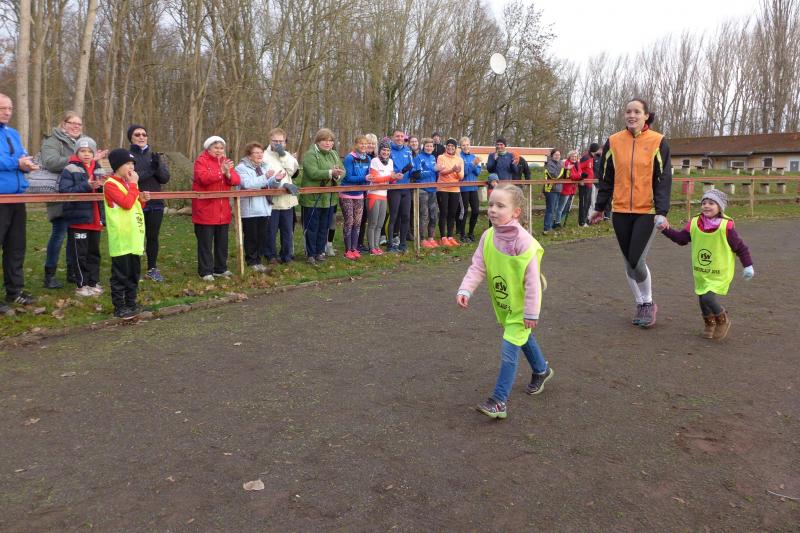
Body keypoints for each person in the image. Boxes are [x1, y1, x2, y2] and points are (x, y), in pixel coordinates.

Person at [457, 183, 553, 419]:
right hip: (505, 304)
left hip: (522, 307)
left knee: (510, 349)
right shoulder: (488, 236)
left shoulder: (525, 242)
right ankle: (541, 370)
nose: (493, 209)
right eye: (491, 204)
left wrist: (531, 313)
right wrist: (466, 289)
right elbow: (478, 266)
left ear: (516, 212)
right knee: (522, 337)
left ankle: (499, 401)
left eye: (500, 206)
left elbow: (533, 282)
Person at [590, 98, 672, 328]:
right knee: (628, 262)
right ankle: (640, 303)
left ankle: (648, 302)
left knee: (637, 259)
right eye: (628, 111)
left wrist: (662, 211)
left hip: (647, 211)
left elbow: (663, 178)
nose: (632, 115)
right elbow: (606, 178)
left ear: (646, 116)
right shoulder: (614, 141)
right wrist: (600, 207)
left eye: (637, 111)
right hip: (620, 210)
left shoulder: (658, 141)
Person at [660, 189, 753, 340]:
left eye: (711, 203)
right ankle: (710, 324)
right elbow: (681, 239)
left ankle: (722, 319)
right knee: (702, 298)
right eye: (704, 203)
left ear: (720, 207)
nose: (706, 206)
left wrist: (748, 265)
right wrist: (665, 229)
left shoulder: (726, 226)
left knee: (708, 298)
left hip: (720, 271)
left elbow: (740, 248)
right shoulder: (695, 223)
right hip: (701, 270)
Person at [40, 111, 107, 288]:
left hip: (83, 201)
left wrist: (93, 160)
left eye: (79, 124)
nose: (76, 126)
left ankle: (73, 271)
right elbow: (50, 162)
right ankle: (50, 273)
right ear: (64, 124)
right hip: (60, 194)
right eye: (72, 123)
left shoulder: (84, 141)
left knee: (76, 237)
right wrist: (76, 159)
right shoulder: (53, 141)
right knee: (60, 233)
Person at [0, 93, 38, 314]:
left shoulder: (13, 133)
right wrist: (17, 162)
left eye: (10, 108)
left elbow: (22, 156)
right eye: (2, 108)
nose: (7, 112)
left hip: (17, 198)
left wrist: (27, 164)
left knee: (16, 247)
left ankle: (14, 291)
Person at [104, 148, 148, 319]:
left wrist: (142, 200)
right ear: (117, 166)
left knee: (133, 273)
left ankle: (131, 302)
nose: (131, 168)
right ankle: (119, 306)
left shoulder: (128, 184)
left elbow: (134, 205)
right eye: (128, 164)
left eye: (133, 164)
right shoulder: (111, 184)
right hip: (121, 237)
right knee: (120, 274)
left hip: (134, 235)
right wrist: (134, 186)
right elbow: (126, 203)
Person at [59, 137, 105, 296]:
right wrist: (86, 185)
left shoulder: (98, 168)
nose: (86, 154)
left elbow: (104, 191)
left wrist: (102, 186)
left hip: (95, 219)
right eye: (83, 151)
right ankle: (81, 284)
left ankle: (93, 282)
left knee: (94, 253)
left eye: (90, 151)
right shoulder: (70, 169)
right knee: (80, 254)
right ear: (77, 152)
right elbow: (65, 191)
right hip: (78, 219)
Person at [192, 136, 241, 280]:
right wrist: (221, 171)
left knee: (222, 243)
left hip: (223, 211)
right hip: (205, 210)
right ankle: (205, 271)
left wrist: (228, 173)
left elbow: (237, 180)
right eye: (216, 148)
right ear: (208, 149)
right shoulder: (201, 161)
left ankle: (220, 268)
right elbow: (203, 179)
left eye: (221, 148)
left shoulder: (226, 162)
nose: (219, 151)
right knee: (205, 243)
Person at [127, 124, 170, 282]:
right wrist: (151, 169)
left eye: (144, 134)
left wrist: (157, 166)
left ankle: (152, 268)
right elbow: (132, 177)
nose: (141, 137)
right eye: (137, 134)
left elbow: (165, 178)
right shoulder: (128, 156)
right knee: (136, 237)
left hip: (156, 203)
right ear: (131, 138)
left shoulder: (153, 155)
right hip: (136, 202)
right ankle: (134, 270)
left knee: (153, 237)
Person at [235, 142, 282, 272]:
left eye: (261, 152)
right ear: (249, 155)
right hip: (250, 209)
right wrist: (265, 176)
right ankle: (251, 261)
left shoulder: (264, 167)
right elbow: (248, 184)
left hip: (264, 207)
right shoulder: (241, 168)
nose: (260, 155)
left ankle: (258, 260)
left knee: (262, 236)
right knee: (251, 237)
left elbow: (270, 185)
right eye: (256, 153)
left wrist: (277, 179)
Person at [300, 128, 343, 265]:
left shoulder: (334, 154)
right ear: (318, 141)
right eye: (324, 140)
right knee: (312, 227)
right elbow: (312, 172)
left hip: (329, 199)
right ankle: (310, 253)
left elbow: (343, 171)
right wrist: (330, 173)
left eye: (330, 140)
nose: (328, 143)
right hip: (312, 199)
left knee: (324, 227)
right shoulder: (310, 154)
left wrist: (337, 175)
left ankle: (320, 252)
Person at [263, 128, 300, 264]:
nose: (278, 144)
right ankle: (271, 255)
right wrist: (282, 185)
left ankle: (286, 255)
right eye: (275, 141)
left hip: (287, 199)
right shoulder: (264, 156)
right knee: (271, 231)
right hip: (272, 200)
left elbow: (292, 171)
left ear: (285, 142)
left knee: (287, 230)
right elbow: (266, 176)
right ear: (270, 140)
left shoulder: (287, 155)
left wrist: (283, 155)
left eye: (281, 141)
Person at [340, 135, 370, 259]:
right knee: (349, 221)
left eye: (365, 144)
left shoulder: (368, 158)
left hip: (359, 194)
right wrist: (364, 178)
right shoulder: (349, 158)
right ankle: (347, 250)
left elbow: (368, 176)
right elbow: (348, 177)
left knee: (358, 222)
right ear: (356, 145)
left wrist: (369, 180)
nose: (363, 146)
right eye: (361, 144)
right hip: (347, 193)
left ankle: (354, 248)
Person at [366, 138, 398, 255]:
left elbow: (390, 180)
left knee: (380, 224)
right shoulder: (374, 161)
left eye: (388, 150)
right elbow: (374, 179)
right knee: (373, 223)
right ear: (379, 150)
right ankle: (371, 247)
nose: (386, 152)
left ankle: (377, 246)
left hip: (384, 195)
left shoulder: (391, 162)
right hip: (373, 194)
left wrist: (395, 178)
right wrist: (389, 177)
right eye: (384, 150)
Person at [387, 129, 413, 253]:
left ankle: (403, 243)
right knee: (393, 216)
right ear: (393, 137)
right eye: (397, 136)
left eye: (402, 136)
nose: (399, 138)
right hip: (394, 188)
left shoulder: (408, 151)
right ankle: (390, 244)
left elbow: (412, 167)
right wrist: (398, 173)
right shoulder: (389, 150)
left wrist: (415, 173)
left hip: (406, 188)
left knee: (406, 216)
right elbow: (387, 169)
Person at [411, 137, 439, 248]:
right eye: (427, 146)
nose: (429, 148)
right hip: (422, 190)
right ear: (423, 146)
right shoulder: (418, 158)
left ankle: (431, 237)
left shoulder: (433, 157)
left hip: (433, 189)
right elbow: (417, 175)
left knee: (434, 215)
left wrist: (439, 172)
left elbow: (435, 173)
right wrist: (433, 170)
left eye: (431, 146)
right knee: (424, 215)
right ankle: (422, 239)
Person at [436, 138, 464, 246]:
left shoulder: (459, 159)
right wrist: (452, 170)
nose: (450, 148)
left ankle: (450, 236)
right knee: (444, 212)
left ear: (455, 148)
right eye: (448, 146)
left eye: (452, 146)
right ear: (446, 147)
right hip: (443, 188)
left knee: (452, 213)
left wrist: (457, 172)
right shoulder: (441, 157)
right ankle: (443, 237)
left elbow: (461, 176)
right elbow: (441, 172)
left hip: (455, 189)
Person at [356, 133, 378, 253]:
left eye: (373, 143)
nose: (371, 145)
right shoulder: (361, 156)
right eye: (369, 143)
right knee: (361, 217)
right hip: (362, 188)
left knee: (369, 217)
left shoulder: (376, 157)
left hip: (373, 190)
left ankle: (366, 241)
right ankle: (357, 242)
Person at [457, 136, 481, 243]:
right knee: (464, 211)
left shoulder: (474, 156)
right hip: (463, 188)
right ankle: (462, 234)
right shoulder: (459, 158)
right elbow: (464, 173)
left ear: (470, 145)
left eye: (467, 144)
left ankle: (471, 233)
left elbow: (478, 172)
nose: (466, 147)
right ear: (460, 146)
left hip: (474, 188)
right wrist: (473, 164)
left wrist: (474, 165)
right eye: (463, 145)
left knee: (475, 211)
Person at [555, 150, 580, 227]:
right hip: (565, 188)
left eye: (575, 156)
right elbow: (571, 176)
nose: (574, 158)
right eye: (572, 156)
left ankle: (557, 221)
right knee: (561, 207)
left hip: (572, 189)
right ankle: (557, 222)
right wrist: (580, 177)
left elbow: (580, 173)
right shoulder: (567, 163)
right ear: (569, 157)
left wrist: (580, 176)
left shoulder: (577, 164)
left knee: (567, 209)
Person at [577, 143, 600, 227]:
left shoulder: (591, 158)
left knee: (588, 202)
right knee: (583, 203)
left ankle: (584, 220)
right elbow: (578, 168)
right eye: (598, 149)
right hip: (584, 184)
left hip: (590, 184)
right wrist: (581, 179)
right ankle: (581, 222)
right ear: (596, 150)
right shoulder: (586, 157)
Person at [542, 148, 564, 234]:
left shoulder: (560, 163)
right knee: (550, 209)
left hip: (558, 188)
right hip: (550, 189)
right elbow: (555, 175)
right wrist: (564, 169)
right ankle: (547, 228)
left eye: (559, 155)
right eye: (555, 155)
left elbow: (564, 175)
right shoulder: (549, 164)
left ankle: (550, 226)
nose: (557, 156)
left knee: (554, 209)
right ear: (552, 156)